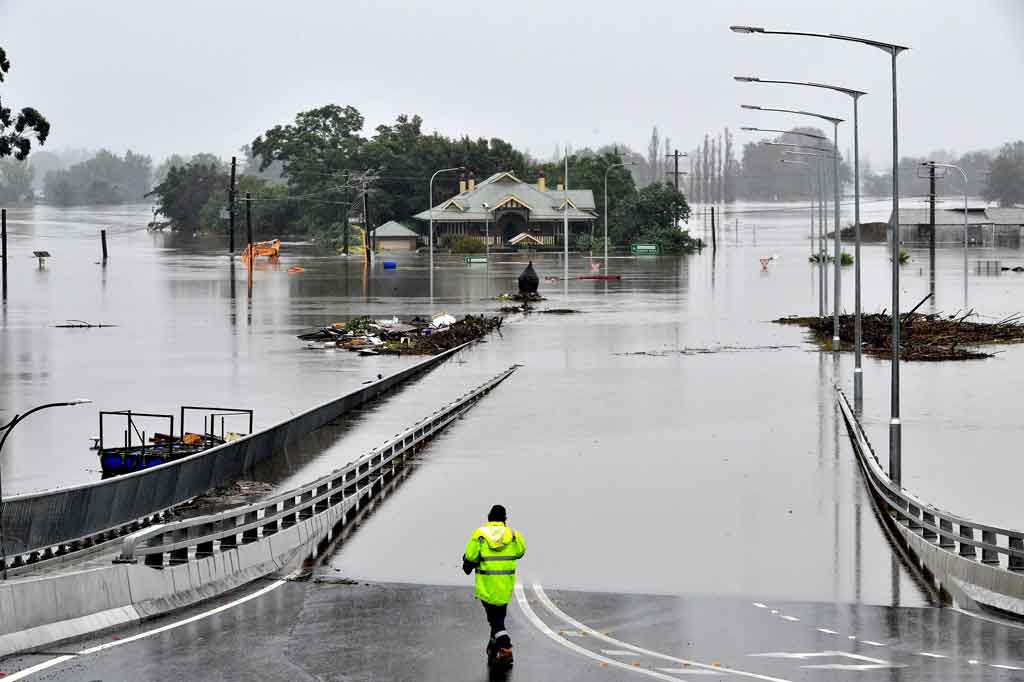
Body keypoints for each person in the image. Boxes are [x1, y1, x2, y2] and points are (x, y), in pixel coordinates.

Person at [462, 504, 526, 666]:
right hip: (505, 586)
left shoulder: (480, 534)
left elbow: (470, 556)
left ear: (489, 517)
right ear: (505, 519)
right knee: (498, 618)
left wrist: (467, 564)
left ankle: (505, 647)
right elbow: (520, 552)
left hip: (487, 586)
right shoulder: (513, 535)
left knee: (496, 621)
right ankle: (493, 646)